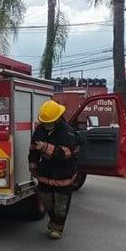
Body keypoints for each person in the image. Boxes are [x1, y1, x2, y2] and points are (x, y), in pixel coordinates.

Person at [28, 100, 82, 240]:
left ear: (57, 118)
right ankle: (53, 222)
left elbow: (64, 155)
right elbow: (33, 150)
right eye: (44, 122)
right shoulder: (40, 130)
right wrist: (32, 165)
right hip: (45, 174)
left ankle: (57, 228)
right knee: (47, 201)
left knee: (61, 204)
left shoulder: (68, 134)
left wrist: (45, 147)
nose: (46, 125)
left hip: (63, 175)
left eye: (48, 122)